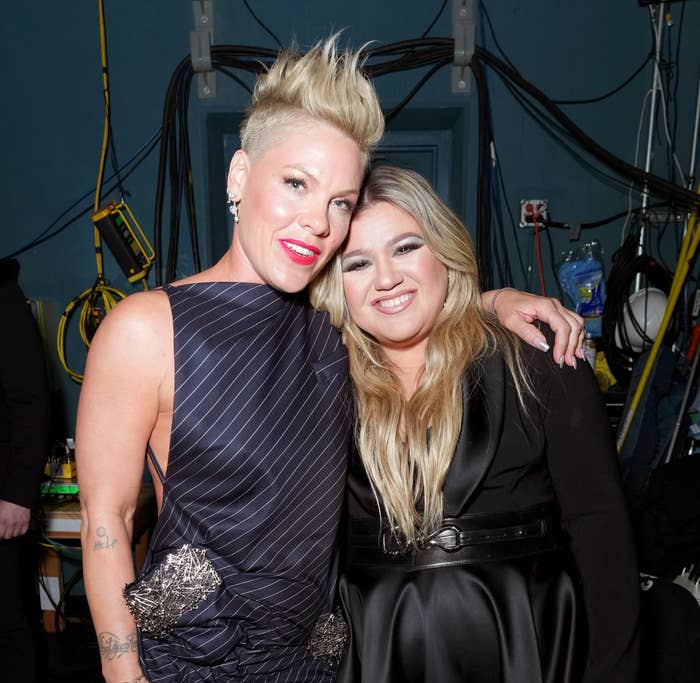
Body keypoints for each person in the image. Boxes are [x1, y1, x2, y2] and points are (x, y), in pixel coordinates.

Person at [76, 38, 584, 683]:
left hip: (318, 663)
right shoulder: (145, 329)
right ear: (239, 177)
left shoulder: (330, 328)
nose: (318, 222)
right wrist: (123, 674)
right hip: (191, 660)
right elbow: (107, 521)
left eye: (339, 202)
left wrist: (496, 301)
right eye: (296, 184)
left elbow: (408, 302)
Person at [310, 166, 640, 683]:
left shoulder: (537, 359)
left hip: (525, 647)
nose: (386, 278)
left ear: (444, 251)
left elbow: (602, 533)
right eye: (358, 263)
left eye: (406, 247)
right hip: (375, 653)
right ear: (338, 285)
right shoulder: (322, 384)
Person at [0, 258, 51, 683]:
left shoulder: (3, 299)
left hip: (1, 497)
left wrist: (18, 495)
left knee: (5, 623)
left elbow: (31, 401)